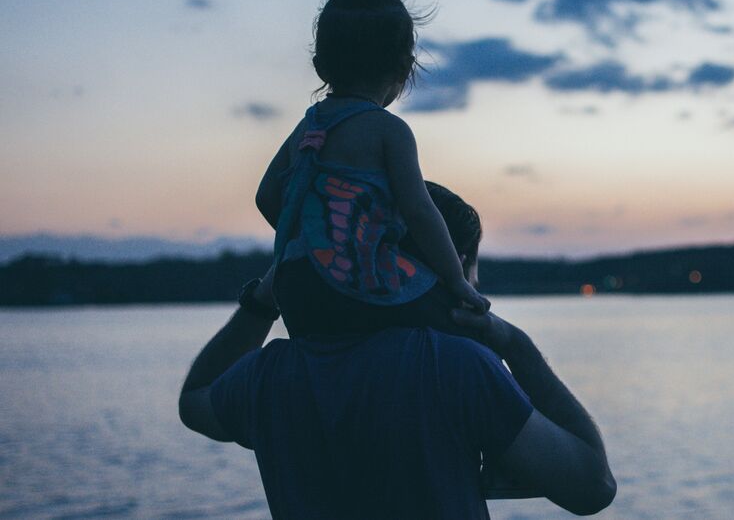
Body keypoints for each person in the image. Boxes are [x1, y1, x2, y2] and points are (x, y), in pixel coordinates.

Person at [179, 182, 617, 518]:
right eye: (472, 277)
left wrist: (265, 297)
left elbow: (195, 400)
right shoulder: (455, 367)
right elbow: (593, 488)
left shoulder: (271, 375)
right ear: (452, 269)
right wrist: (515, 346)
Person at [255, 0, 488, 341]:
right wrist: (456, 279)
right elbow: (419, 210)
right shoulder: (388, 130)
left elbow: (266, 197)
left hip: (294, 287)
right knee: (462, 325)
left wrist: (314, 238)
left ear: (320, 66)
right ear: (405, 68)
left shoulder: (307, 127)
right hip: (357, 283)